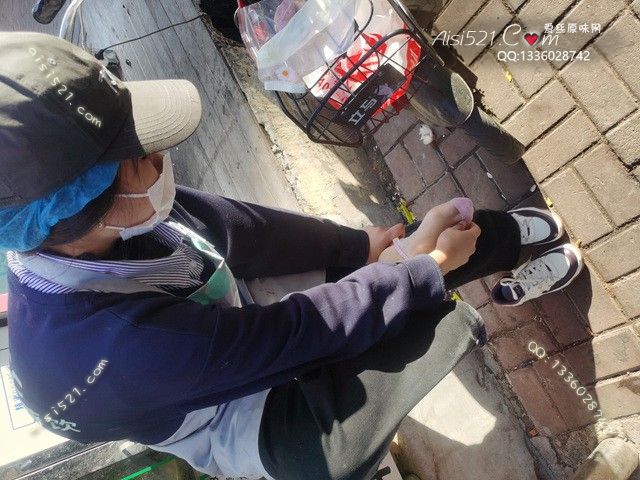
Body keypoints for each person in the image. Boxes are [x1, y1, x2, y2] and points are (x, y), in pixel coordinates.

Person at [1, 32, 583, 480]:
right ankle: (451, 290)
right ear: (76, 213)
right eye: (139, 154)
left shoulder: (103, 221)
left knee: (397, 264)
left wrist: (358, 246)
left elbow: (242, 229)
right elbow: (291, 335)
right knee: (338, 438)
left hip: (214, 323)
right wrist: (423, 269)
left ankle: (508, 239)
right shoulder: (113, 346)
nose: (159, 156)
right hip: (226, 413)